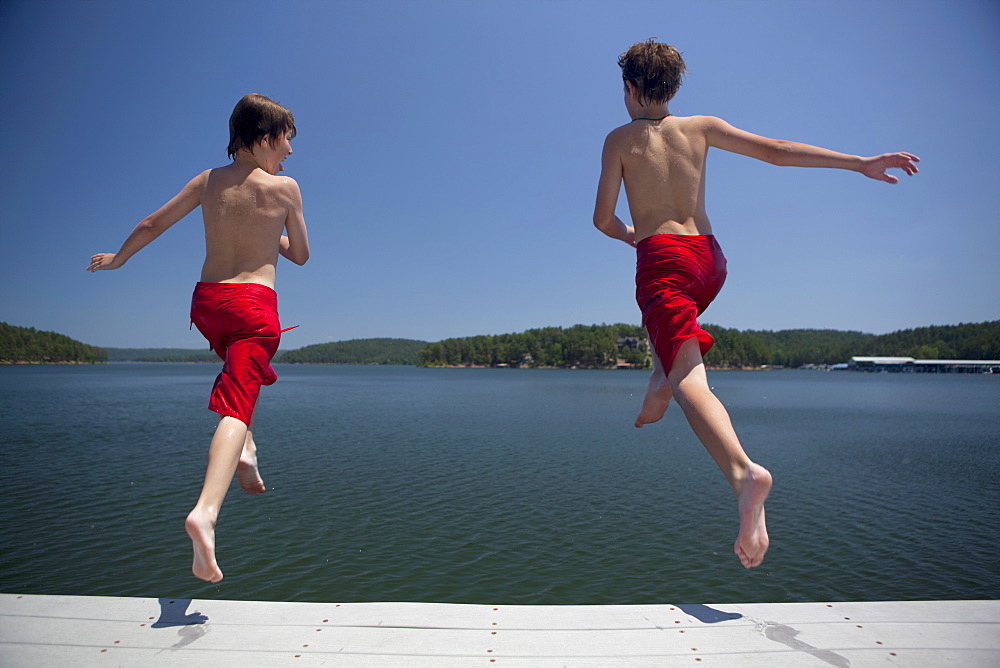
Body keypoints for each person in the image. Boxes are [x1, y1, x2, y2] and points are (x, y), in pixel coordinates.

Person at [592, 40, 918, 569]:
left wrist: (635, 235)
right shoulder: (702, 127)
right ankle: (660, 377)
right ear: (675, 88)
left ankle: (744, 473)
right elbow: (776, 149)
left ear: (629, 88)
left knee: (689, 379)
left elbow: (603, 220)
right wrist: (860, 163)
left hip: (664, 259)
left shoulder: (619, 140)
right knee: (673, 333)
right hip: (710, 261)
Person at [88, 94, 310, 582]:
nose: (290, 151)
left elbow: (152, 223)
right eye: (287, 139)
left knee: (241, 380)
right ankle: (205, 513)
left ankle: (246, 453)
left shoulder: (206, 182)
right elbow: (300, 255)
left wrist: (119, 259)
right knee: (238, 402)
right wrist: (271, 227)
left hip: (208, 305)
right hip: (253, 306)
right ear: (265, 135)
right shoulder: (285, 188)